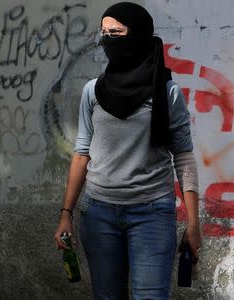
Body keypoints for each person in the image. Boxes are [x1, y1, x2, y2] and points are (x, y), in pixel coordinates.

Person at [53, 2, 201, 299]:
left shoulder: (167, 92)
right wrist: (66, 214)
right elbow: (82, 153)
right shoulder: (93, 91)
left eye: (117, 32)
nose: (108, 40)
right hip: (99, 214)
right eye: (104, 33)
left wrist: (194, 223)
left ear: (140, 36)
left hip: (152, 215)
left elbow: (183, 156)